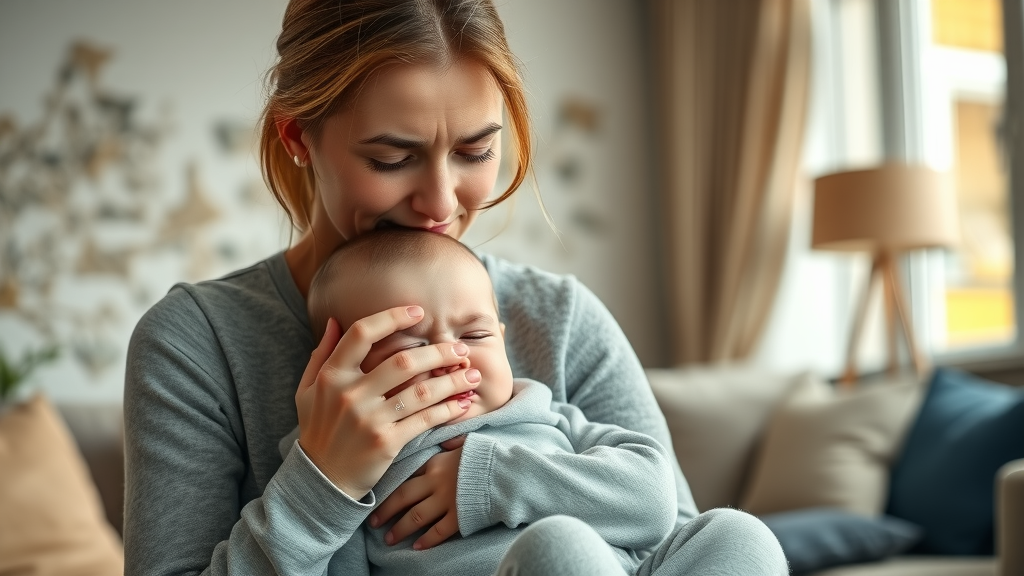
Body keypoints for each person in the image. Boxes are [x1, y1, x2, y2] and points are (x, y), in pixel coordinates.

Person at [123, 1, 788, 575]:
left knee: (740, 538)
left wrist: (495, 480)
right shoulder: (196, 343)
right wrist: (321, 482)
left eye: (475, 152)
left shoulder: (557, 320)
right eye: (392, 158)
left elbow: (668, 535)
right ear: (297, 135)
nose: (442, 203)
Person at [279, 226, 677, 575]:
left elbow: (655, 505)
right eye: (411, 347)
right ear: (342, 370)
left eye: (473, 337)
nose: (451, 359)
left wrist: (494, 481)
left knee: (730, 531)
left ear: (502, 341)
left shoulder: (548, 415)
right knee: (558, 547)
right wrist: (332, 478)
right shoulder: (353, 459)